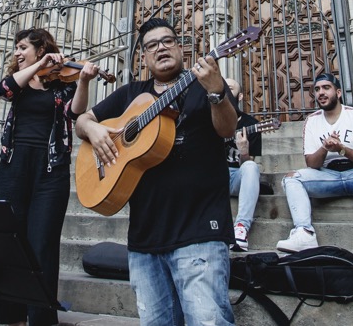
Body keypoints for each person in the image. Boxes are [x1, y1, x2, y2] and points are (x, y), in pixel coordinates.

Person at [75, 18, 237, 326]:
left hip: (199, 231)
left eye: (168, 41)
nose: (161, 47)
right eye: (152, 45)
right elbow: (82, 120)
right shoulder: (130, 94)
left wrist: (217, 90)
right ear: (144, 58)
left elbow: (227, 128)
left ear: (180, 48)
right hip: (144, 240)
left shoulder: (204, 85)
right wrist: (94, 132)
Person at [0, 28, 98, 326]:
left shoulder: (62, 82)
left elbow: (75, 113)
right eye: (16, 48)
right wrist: (39, 64)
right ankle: (8, 316)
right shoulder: (19, 80)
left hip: (51, 170)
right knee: (8, 240)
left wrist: (83, 80)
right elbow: (5, 90)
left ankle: (40, 319)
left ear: (40, 47)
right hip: (13, 166)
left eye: (22, 47)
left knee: (42, 244)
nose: (17, 52)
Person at [275, 73, 353, 258]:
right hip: (327, 176)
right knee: (292, 178)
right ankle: (304, 233)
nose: (321, 93)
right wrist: (324, 147)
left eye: (326, 88)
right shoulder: (312, 121)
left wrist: (342, 149)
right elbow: (312, 164)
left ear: (338, 92)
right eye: (317, 89)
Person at [224, 77, 262, 252]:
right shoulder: (206, 121)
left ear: (239, 96)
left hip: (235, 177)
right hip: (212, 177)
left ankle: (240, 227)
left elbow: (248, 166)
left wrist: (244, 151)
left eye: (230, 88)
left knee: (251, 167)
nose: (224, 89)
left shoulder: (250, 125)